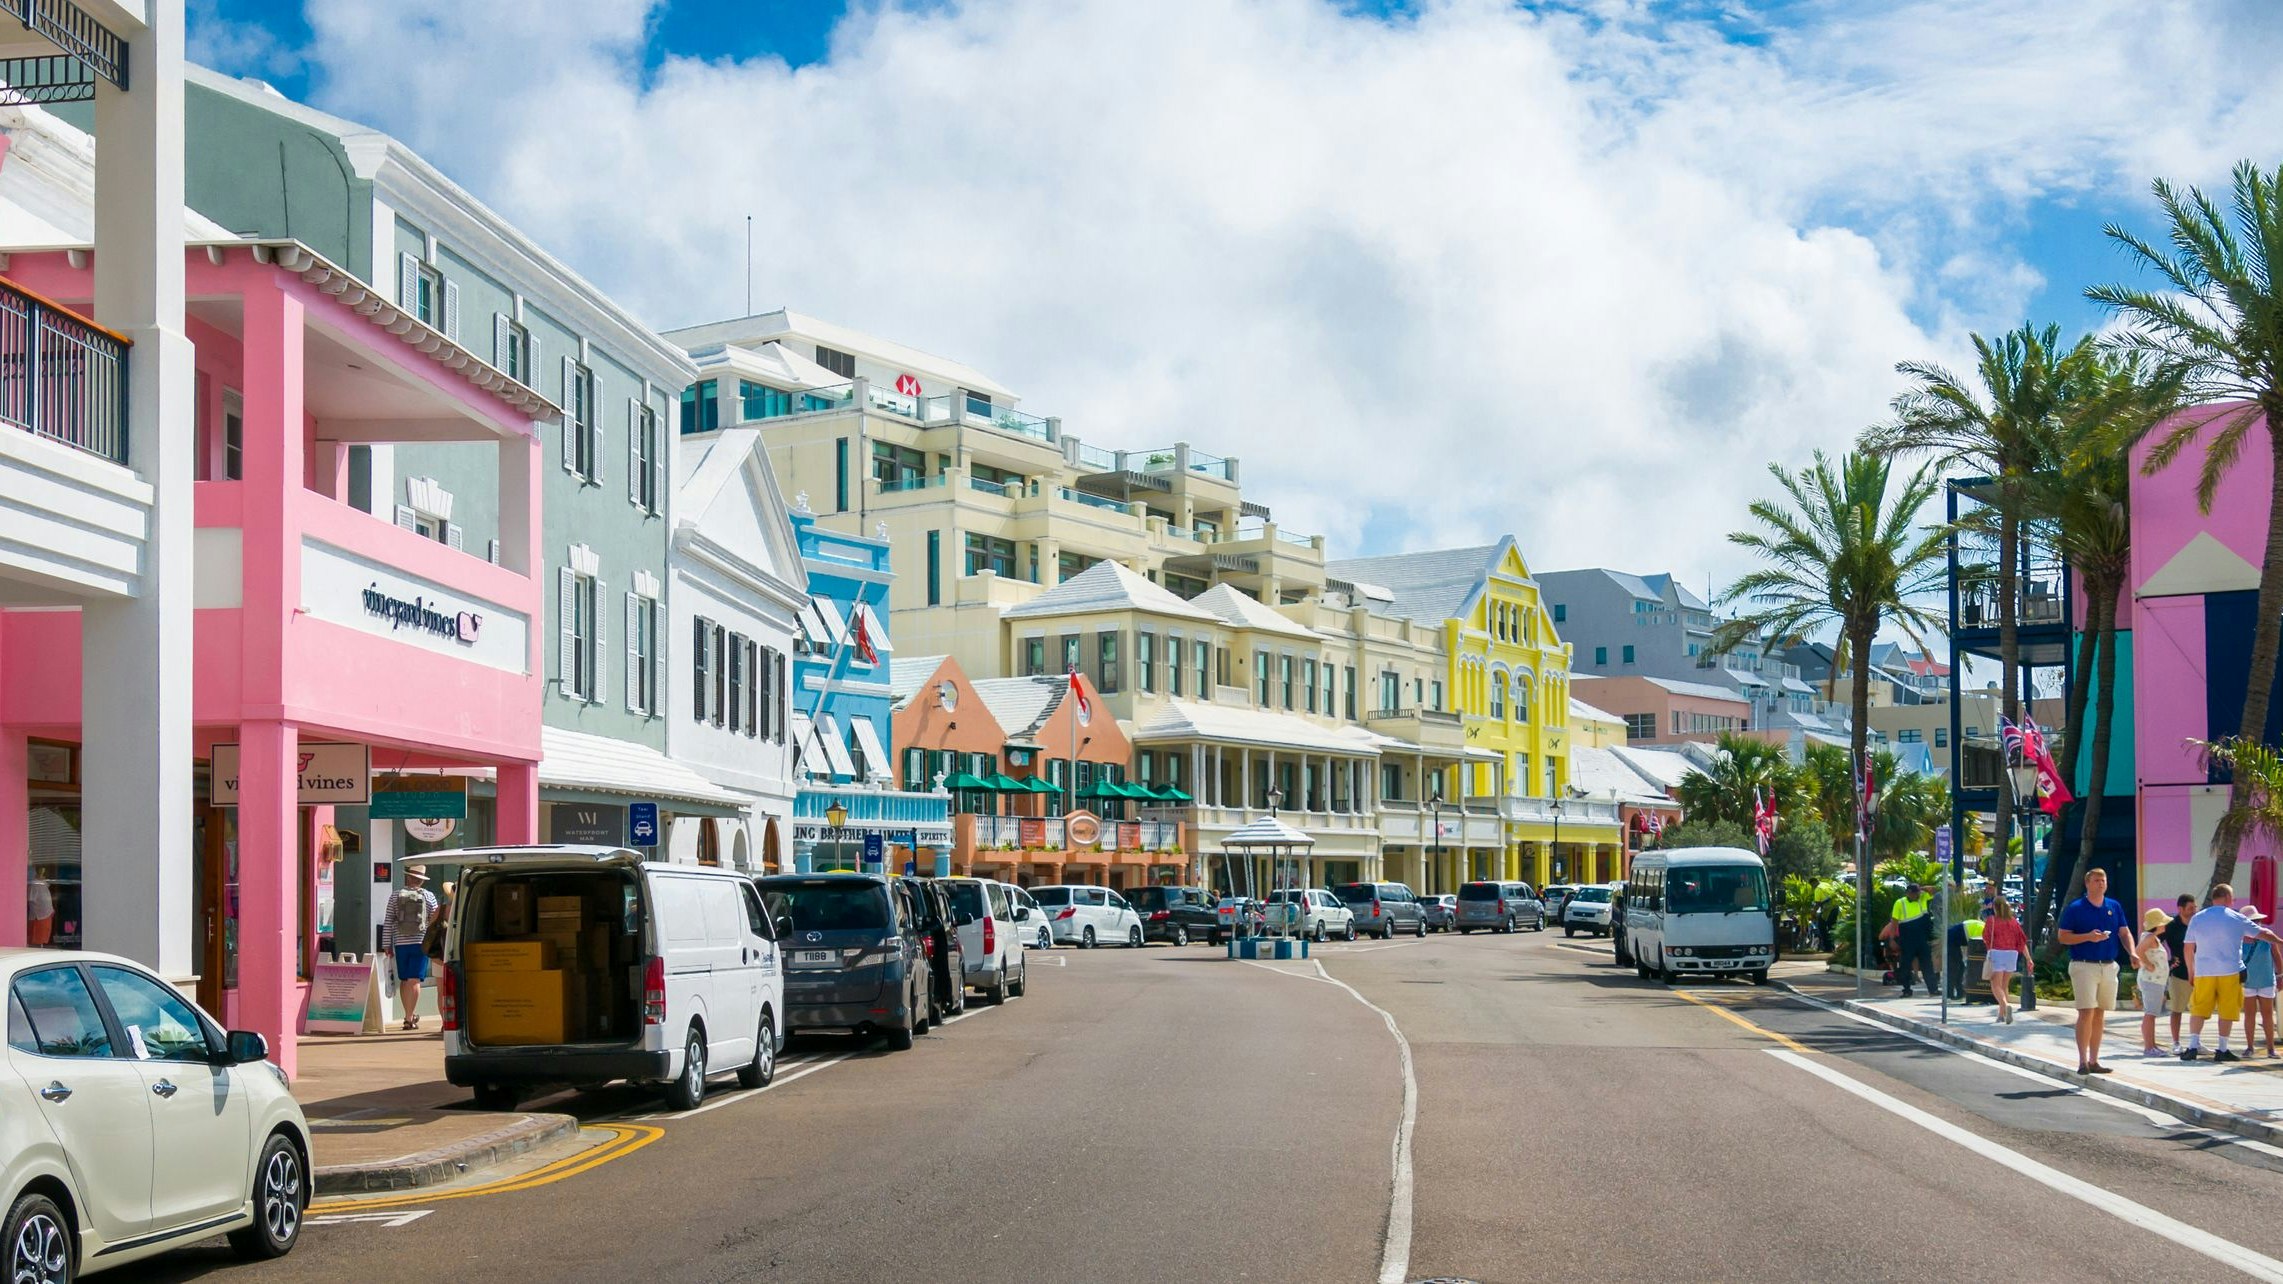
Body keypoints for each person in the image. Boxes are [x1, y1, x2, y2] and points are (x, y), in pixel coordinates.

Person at [2180, 882, 2283, 1063]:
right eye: (2232, 897)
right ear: (2228, 898)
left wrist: (2191, 970)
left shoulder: (2198, 918)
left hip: (2204, 971)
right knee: (2227, 1009)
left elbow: (2188, 947)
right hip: (2229, 971)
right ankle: (2222, 1049)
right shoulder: (2236, 917)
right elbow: (2262, 933)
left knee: (2199, 1008)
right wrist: (2280, 941)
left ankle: (2193, 1047)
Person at [2056, 867, 2136, 1074]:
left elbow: (2124, 932)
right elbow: (2063, 936)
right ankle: (2082, 1061)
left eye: (2103, 880)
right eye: (2096, 880)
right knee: (2086, 1011)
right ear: (2087, 884)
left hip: (2108, 965)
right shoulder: (2076, 908)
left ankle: (2094, 1060)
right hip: (2084, 965)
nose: (2101, 883)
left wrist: (2133, 953)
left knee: (2100, 1013)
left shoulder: (2113, 906)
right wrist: (2088, 937)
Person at [382, 869, 441, 1032]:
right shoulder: (429, 896)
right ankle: (409, 1017)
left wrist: (387, 944)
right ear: (421, 880)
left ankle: (408, 1015)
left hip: (401, 943)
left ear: (408, 877)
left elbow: (389, 920)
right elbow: (436, 919)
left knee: (405, 979)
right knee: (415, 980)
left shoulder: (395, 896)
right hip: (421, 943)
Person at [1982, 895, 2029, 1025]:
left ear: (1995, 907)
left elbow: (1986, 936)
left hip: (1997, 952)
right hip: (2012, 954)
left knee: (1995, 985)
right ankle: (2001, 1015)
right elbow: (2022, 940)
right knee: (2004, 985)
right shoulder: (2013, 921)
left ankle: (2005, 1004)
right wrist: (2029, 959)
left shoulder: (1991, 920)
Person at [2136, 907, 2173, 1056]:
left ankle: (2152, 1045)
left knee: (2151, 1013)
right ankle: (2149, 1047)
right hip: (2152, 981)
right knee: (2150, 1014)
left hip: (2155, 982)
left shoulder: (2152, 937)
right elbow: (2139, 951)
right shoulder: (2150, 938)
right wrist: (2148, 964)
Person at [2162, 894, 2196, 1052]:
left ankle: (2196, 1042)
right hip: (2178, 974)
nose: (2193, 911)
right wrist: (2165, 963)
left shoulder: (2198, 924)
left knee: (2198, 1011)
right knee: (2177, 1009)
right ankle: (2176, 1042)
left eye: (2195, 907)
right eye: (2190, 908)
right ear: (2180, 909)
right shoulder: (2170, 926)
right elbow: (2151, 941)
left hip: (2199, 974)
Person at [1891, 883, 1936, 998]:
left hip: (1922, 938)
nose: (1915, 896)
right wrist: (1892, 939)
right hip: (1907, 939)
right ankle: (1906, 989)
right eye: (1912, 893)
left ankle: (1933, 989)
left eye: (1916, 893)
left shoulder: (1923, 897)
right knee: (1905, 965)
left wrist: (1921, 889)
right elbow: (1894, 922)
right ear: (1907, 893)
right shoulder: (1900, 903)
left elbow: (1932, 890)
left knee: (1927, 965)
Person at [2245, 925, 2279, 1059]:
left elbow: (2277, 956)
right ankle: (2249, 1047)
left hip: (2266, 981)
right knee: (2249, 1015)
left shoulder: (2268, 935)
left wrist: (2280, 975)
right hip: (2248, 982)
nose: (2256, 923)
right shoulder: (2239, 938)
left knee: (2268, 1015)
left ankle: (2271, 1048)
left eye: (2257, 920)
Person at [25, 869, 53, 948]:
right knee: (36, 940)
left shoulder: (43, 884)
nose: (43, 875)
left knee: (41, 939)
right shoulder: (34, 885)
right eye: (40, 872)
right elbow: (29, 899)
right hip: (38, 917)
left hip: (45, 915)